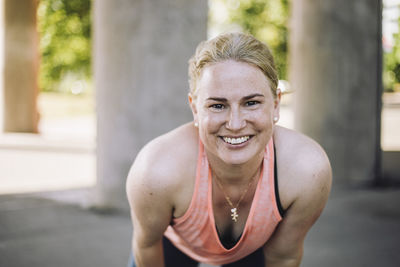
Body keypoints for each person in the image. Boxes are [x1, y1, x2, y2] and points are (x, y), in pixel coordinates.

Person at [126, 32, 332, 267]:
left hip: (255, 250)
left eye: (251, 103)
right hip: (171, 246)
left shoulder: (307, 170)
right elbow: (146, 245)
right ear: (195, 109)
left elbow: (283, 257)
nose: (235, 124)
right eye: (217, 105)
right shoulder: (156, 171)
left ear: (275, 104)